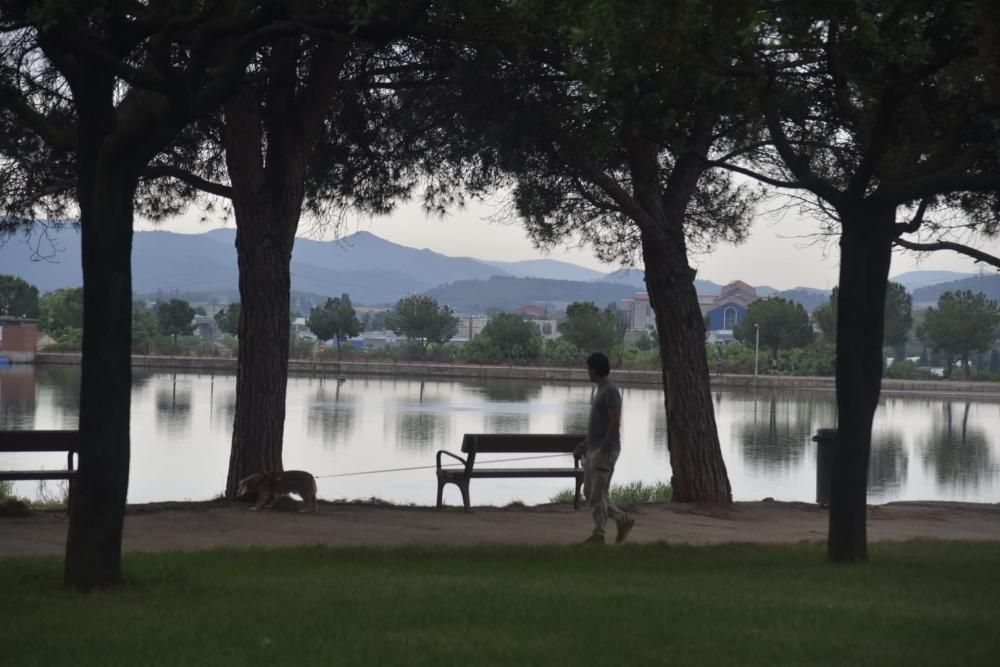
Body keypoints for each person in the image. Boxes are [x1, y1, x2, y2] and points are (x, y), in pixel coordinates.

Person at [574, 352, 635, 544]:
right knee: (591, 493)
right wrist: (585, 445)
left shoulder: (610, 391)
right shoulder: (601, 389)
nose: (587, 373)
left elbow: (614, 422)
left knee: (597, 493)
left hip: (604, 451)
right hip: (594, 449)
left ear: (594, 370)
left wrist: (603, 449)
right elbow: (598, 425)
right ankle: (621, 519)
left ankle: (598, 534)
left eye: (588, 369)